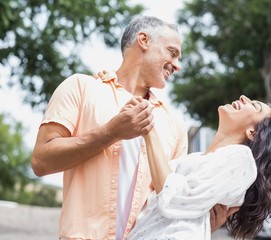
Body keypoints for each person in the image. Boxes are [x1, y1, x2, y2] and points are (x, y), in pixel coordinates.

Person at [31, 16, 189, 240]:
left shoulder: (175, 125)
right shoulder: (81, 88)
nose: (177, 65)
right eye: (172, 52)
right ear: (143, 40)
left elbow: (172, 202)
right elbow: (40, 162)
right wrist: (111, 133)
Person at [126, 95, 271, 240]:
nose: (243, 97)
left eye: (254, 105)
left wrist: (149, 130)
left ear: (253, 133)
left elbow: (174, 197)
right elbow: (157, 185)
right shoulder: (194, 159)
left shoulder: (241, 160)